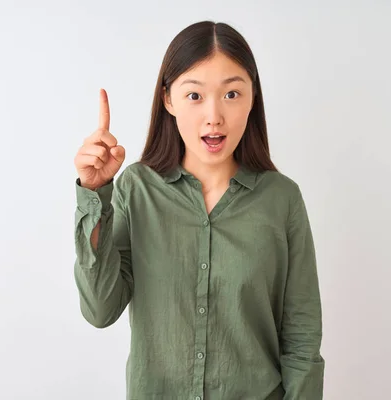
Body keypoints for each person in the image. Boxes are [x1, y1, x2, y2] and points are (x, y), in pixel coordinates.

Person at [72, 20, 325, 400]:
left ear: (252, 97)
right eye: (194, 95)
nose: (214, 116)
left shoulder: (282, 199)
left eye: (231, 94)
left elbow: (302, 339)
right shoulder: (135, 189)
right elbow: (99, 309)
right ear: (169, 100)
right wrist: (95, 193)